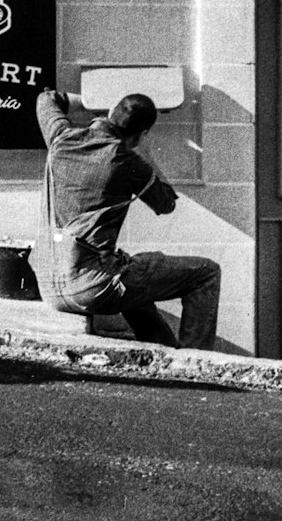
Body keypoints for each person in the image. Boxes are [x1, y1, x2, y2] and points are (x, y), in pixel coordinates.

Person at [33, 88, 221, 351]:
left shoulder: (60, 138)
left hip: (49, 284)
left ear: (110, 112)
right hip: (91, 288)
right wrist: (143, 151)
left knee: (135, 275)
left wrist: (92, 102)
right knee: (206, 272)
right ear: (141, 134)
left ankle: (166, 352)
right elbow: (166, 202)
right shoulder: (124, 159)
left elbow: (47, 98)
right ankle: (197, 359)